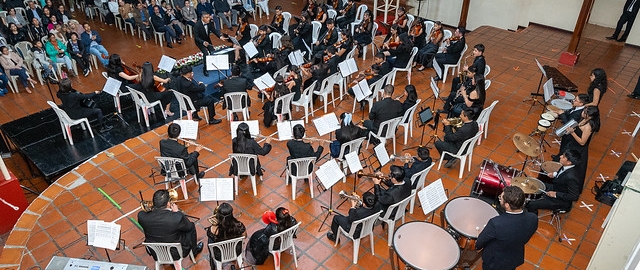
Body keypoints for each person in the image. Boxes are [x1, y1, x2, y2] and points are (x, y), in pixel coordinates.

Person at [475, 186, 538, 270]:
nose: (499, 199)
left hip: (494, 262)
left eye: (500, 198)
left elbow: (480, 243)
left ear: (507, 205)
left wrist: (479, 240)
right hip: (514, 258)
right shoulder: (533, 218)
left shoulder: (496, 223)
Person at [138, 189, 204, 262]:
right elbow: (188, 226)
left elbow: (142, 212)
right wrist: (177, 212)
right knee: (191, 226)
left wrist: (151, 209)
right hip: (176, 253)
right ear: (168, 204)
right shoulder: (177, 217)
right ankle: (194, 251)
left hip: (155, 252)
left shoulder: (142, 217)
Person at [555, 106, 600, 189]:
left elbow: (582, 142)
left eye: (585, 112)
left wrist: (572, 132)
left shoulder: (589, 126)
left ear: (589, 116)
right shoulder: (584, 119)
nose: (582, 112)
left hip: (578, 148)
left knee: (573, 166)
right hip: (572, 143)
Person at [527, 150, 582, 215]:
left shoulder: (572, 177)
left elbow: (574, 196)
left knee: (531, 204)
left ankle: (532, 218)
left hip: (560, 200)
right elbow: (563, 172)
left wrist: (555, 194)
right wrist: (555, 174)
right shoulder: (567, 166)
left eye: (563, 157)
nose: (560, 156)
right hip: (557, 187)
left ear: (569, 162)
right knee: (535, 183)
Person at [206, 203, 246, 268]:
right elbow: (245, 236)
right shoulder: (239, 226)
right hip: (236, 251)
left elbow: (210, 236)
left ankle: (213, 266)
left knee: (210, 241)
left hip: (220, 255)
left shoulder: (213, 229)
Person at [194, 12, 220, 76]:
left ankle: (213, 64)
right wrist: (203, 42)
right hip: (200, 41)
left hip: (207, 39)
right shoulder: (197, 25)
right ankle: (205, 68)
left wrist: (220, 36)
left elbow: (214, 30)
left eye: (209, 17)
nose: (209, 19)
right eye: (207, 17)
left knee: (212, 51)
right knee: (205, 53)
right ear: (202, 18)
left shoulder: (209, 23)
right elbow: (196, 37)